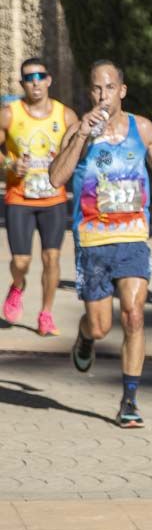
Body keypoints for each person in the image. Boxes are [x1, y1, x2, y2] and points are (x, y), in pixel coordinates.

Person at [48, 60, 152, 429]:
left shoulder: (142, 128)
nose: (102, 95)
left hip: (133, 238)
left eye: (109, 88)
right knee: (99, 326)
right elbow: (55, 179)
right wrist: (80, 135)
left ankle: (129, 400)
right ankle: (85, 337)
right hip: (92, 240)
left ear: (122, 91)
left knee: (134, 314)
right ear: (88, 92)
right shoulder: (78, 131)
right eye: (96, 88)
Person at [0, 58, 77, 335]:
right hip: (19, 197)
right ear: (22, 84)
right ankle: (17, 285)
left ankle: (46, 312)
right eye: (28, 78)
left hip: (53, 199)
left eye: (39, 76)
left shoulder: (65, 115)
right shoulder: (10, 114)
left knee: (51, 258)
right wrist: (9, 165)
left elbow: (78, 150)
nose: (35, 82)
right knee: (21, 261)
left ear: (49, 80)